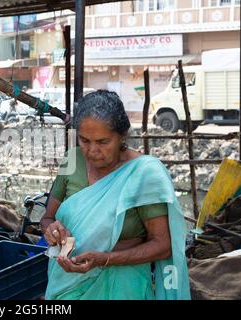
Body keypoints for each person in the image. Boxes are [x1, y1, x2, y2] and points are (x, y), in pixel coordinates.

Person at [41, 90, 190, 300]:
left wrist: (106, 259)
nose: (92, 150)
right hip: (64, 282)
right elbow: (48, 217)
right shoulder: (71, 160)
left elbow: (163, 246)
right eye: (84, 141)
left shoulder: (144, 173)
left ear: (122, 136)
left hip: (121, 287)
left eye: (103, 142)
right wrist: (51, 230)